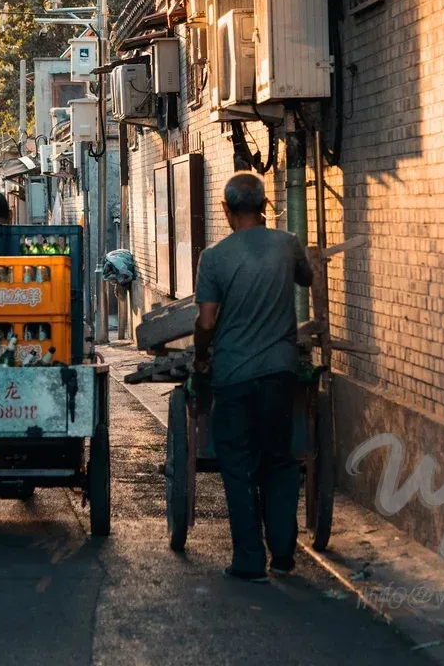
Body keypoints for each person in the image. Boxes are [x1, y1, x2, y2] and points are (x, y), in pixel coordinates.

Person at [191, 171, 314, 583]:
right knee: (279, 462)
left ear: (226, 210)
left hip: (234, 376)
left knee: (238, 465)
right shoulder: (286, 244)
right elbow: (307, 278)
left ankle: (248, 559)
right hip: (280, 374)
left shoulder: (214, 258)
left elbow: (206, 321)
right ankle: (283, 556)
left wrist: (201, 357)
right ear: (265, 207)